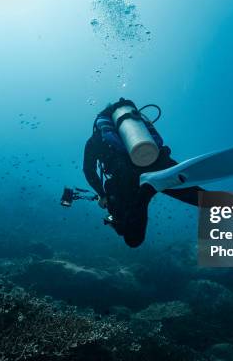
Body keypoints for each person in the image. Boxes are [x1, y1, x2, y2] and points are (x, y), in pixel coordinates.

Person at [83, 98, 206, 248]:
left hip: (126, 177)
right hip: (158, 162)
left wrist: (102, 195)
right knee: (203, 199)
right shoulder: (137, 125)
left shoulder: (96, 138)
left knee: (132, 238)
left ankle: (147, 191)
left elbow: (89, 170)